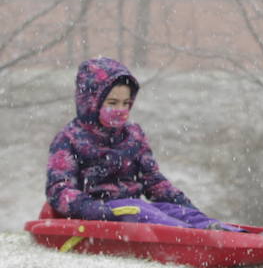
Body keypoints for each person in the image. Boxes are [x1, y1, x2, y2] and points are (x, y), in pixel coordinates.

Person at [45, 56, 250, 232]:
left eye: (126, 104)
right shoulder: (69, 139)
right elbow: (59, 189)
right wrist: (91, 208)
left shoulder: (133, 136)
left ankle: (223, 231)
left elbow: (153, 181)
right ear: (91, 102)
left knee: (168, 211)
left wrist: (187, 208)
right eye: (112, 103)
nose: (121, 109)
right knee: (142, 211)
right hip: (103, 214)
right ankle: (194, 237)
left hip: (135, 208)